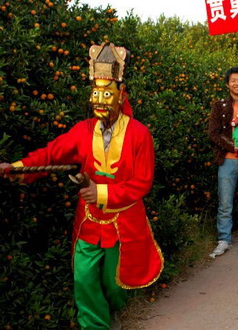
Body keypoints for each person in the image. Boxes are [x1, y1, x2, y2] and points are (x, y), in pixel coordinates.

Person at [0, 43, 164, 330]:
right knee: (84, 279)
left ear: (120, 95)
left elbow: (142, 182)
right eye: (96, 94)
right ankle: (94, 325)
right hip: (89, 221)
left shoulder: (140, 134)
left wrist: (101, 192)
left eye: (107, 94)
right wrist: (18, 168)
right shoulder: (83, 129)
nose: (100, 100)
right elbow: (52, 153)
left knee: (114, 283)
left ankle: (113, 311)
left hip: (123, 223)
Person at [208, 67, 238, 256]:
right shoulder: (219, 106)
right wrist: (232, 147)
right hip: (227, 161)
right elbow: (213, 133)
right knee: (225, 203)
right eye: (233, 80)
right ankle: (224, 239)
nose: (237, 83)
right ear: (227, 84)